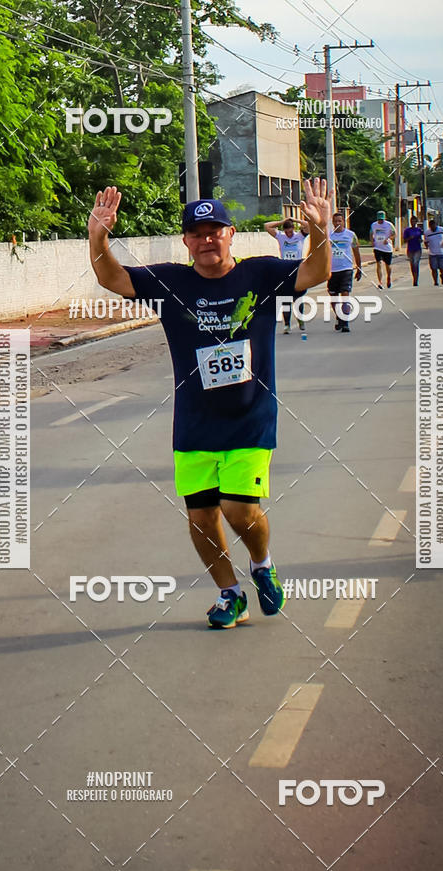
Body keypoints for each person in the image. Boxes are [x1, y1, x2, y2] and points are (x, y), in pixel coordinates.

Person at [87, 180, 331, 629]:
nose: (206, 240)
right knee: (201, 518)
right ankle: (229, 593)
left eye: (214, 231)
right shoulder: (170, 282)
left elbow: (315, 274)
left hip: (250, 418)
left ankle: (261, 563)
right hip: (195, 424)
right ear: (186, 240)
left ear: (231, 233)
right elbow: (111, 277)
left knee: (239, 510)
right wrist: (98, 236)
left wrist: (320, 229)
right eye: (197, 234)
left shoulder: (259, 275)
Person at [264, 216, 310, 333]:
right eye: (286, 232)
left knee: (298, 298)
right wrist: (282, 222)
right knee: (285, 299)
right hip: (284, 270)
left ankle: (300, 319)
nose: (288, 234)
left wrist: (295, 220)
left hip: (297, 269)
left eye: (290, 232)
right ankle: (287, 324)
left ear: (293, 229)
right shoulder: (281, 237)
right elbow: (266, 226)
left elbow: (309, 225)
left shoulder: (299, 236)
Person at [327, 210, 362, 332]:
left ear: (344, 222)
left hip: (346, 269)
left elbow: (356, 252)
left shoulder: (351, 235)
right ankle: (339, 316)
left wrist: (359, 267)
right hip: (332, 271)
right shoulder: (329, 236)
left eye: (340, 221)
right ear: (332, 222)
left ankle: (345, 322)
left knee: (345, 295)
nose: (337, 223)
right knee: (333, 297)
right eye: (335, 221)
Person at [370, 210, 396, 289]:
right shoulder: (374, 225)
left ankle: (389, 278)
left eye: (382, 219)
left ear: (385, 218)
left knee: (388, 265)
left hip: (387, 248)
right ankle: (380, 282)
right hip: (378, 247)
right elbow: (371, 234)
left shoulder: (389, 225)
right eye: (379, 219)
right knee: (379, 263)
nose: (380, 221)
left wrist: (388, 239)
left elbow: (394, 234)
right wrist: (372, 241)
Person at [424, 217, 443, 286]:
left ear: (436, 225)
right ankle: (435, 282)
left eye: (434, 226)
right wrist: (426, 246)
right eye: (431, 226)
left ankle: (442, 275)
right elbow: (426, 241)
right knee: (433, 268)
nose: (432, 228)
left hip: (441, 252)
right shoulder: (427, 232)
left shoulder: (442, 230)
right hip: (432, 253)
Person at [403, 215, 423, 285]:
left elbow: (421, 238)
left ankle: (416, 280)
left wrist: (420, 240)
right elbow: (404, 240)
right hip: (410, 249)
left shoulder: (419, 230)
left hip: (417, 249)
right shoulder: (407, 230)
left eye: (414, 221)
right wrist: (409, 238)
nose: (413, 222)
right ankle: (414, 277)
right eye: (412, 221)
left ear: (416, 222)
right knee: (412, 264)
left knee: (416, 263)